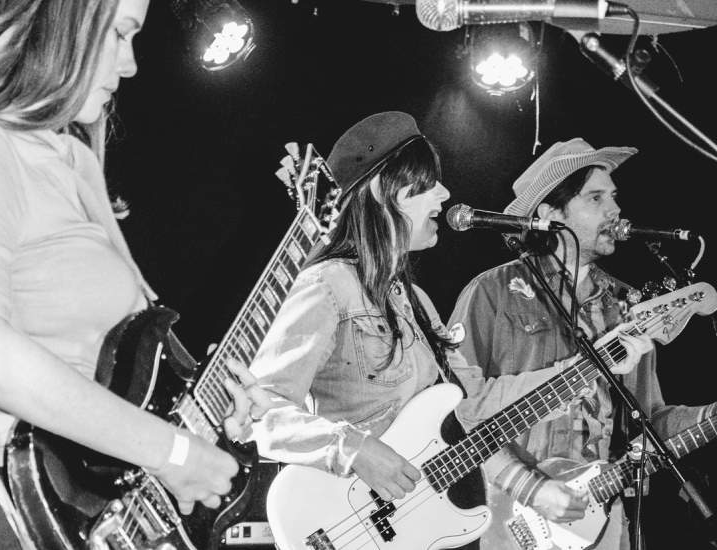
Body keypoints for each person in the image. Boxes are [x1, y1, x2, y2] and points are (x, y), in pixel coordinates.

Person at [0, 1, 270, 548]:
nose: (130, 65)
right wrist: (170, 451)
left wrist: (202, 421)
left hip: (109, 508)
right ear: (57, 25)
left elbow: (115, 375)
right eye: (120, 35)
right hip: (28, 511)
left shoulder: (75, 160)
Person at [447, 138, 716, 549]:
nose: (615, 210)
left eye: (614, 196)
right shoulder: (492, 292)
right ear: (550, 215)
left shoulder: (628, 307)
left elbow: (649, 420)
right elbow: (456, 412)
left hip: (602, 517)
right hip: (515, 516)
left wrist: (710, 415)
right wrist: (529, 487)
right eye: (596, 198)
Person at [248, 111, 490, 548]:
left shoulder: (416, 301)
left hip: (421, 525)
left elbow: (473, 403)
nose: (444, 194)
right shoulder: (327, 285)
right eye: (428, 182)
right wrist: (352, 449)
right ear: (383, 190)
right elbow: (260, 411)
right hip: (351, 524)